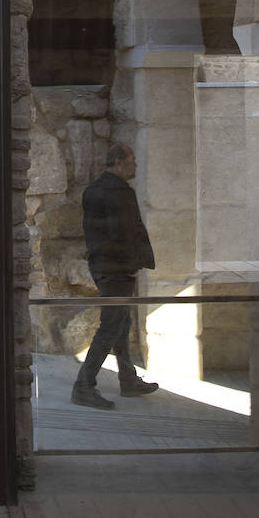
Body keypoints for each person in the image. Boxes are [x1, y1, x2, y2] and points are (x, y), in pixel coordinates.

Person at [72, 142, 158, 410]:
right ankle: (84, 386)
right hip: (117, 269)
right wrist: (131, 264)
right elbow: (123, 234)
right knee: (112, 324)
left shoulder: (94, 190)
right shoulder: (119, 192)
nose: (136, 165)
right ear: (119, 163)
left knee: (120, 323)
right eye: (132, 160)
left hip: (105, 267)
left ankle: (128, 379)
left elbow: (99, 234)